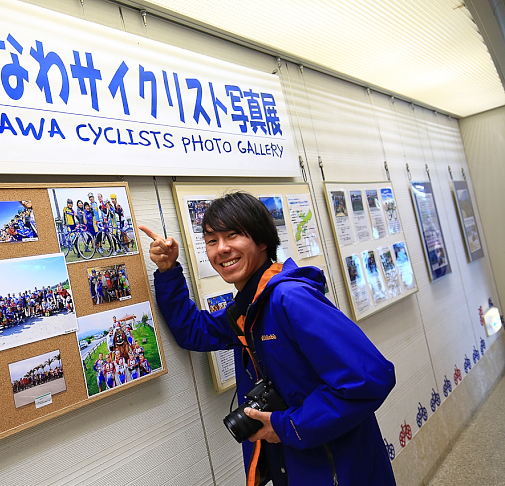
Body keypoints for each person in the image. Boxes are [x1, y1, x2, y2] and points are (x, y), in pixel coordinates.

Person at [139, 191, 396, 486]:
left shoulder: (291, 298)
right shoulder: (250, 308)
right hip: (298, 464)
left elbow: (372, 377)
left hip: (339, 466)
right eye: (211, 241)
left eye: (233, 235)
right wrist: (168, 270)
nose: (221, 249)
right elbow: (194, 331)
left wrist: (286, 426)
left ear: (262, 241)